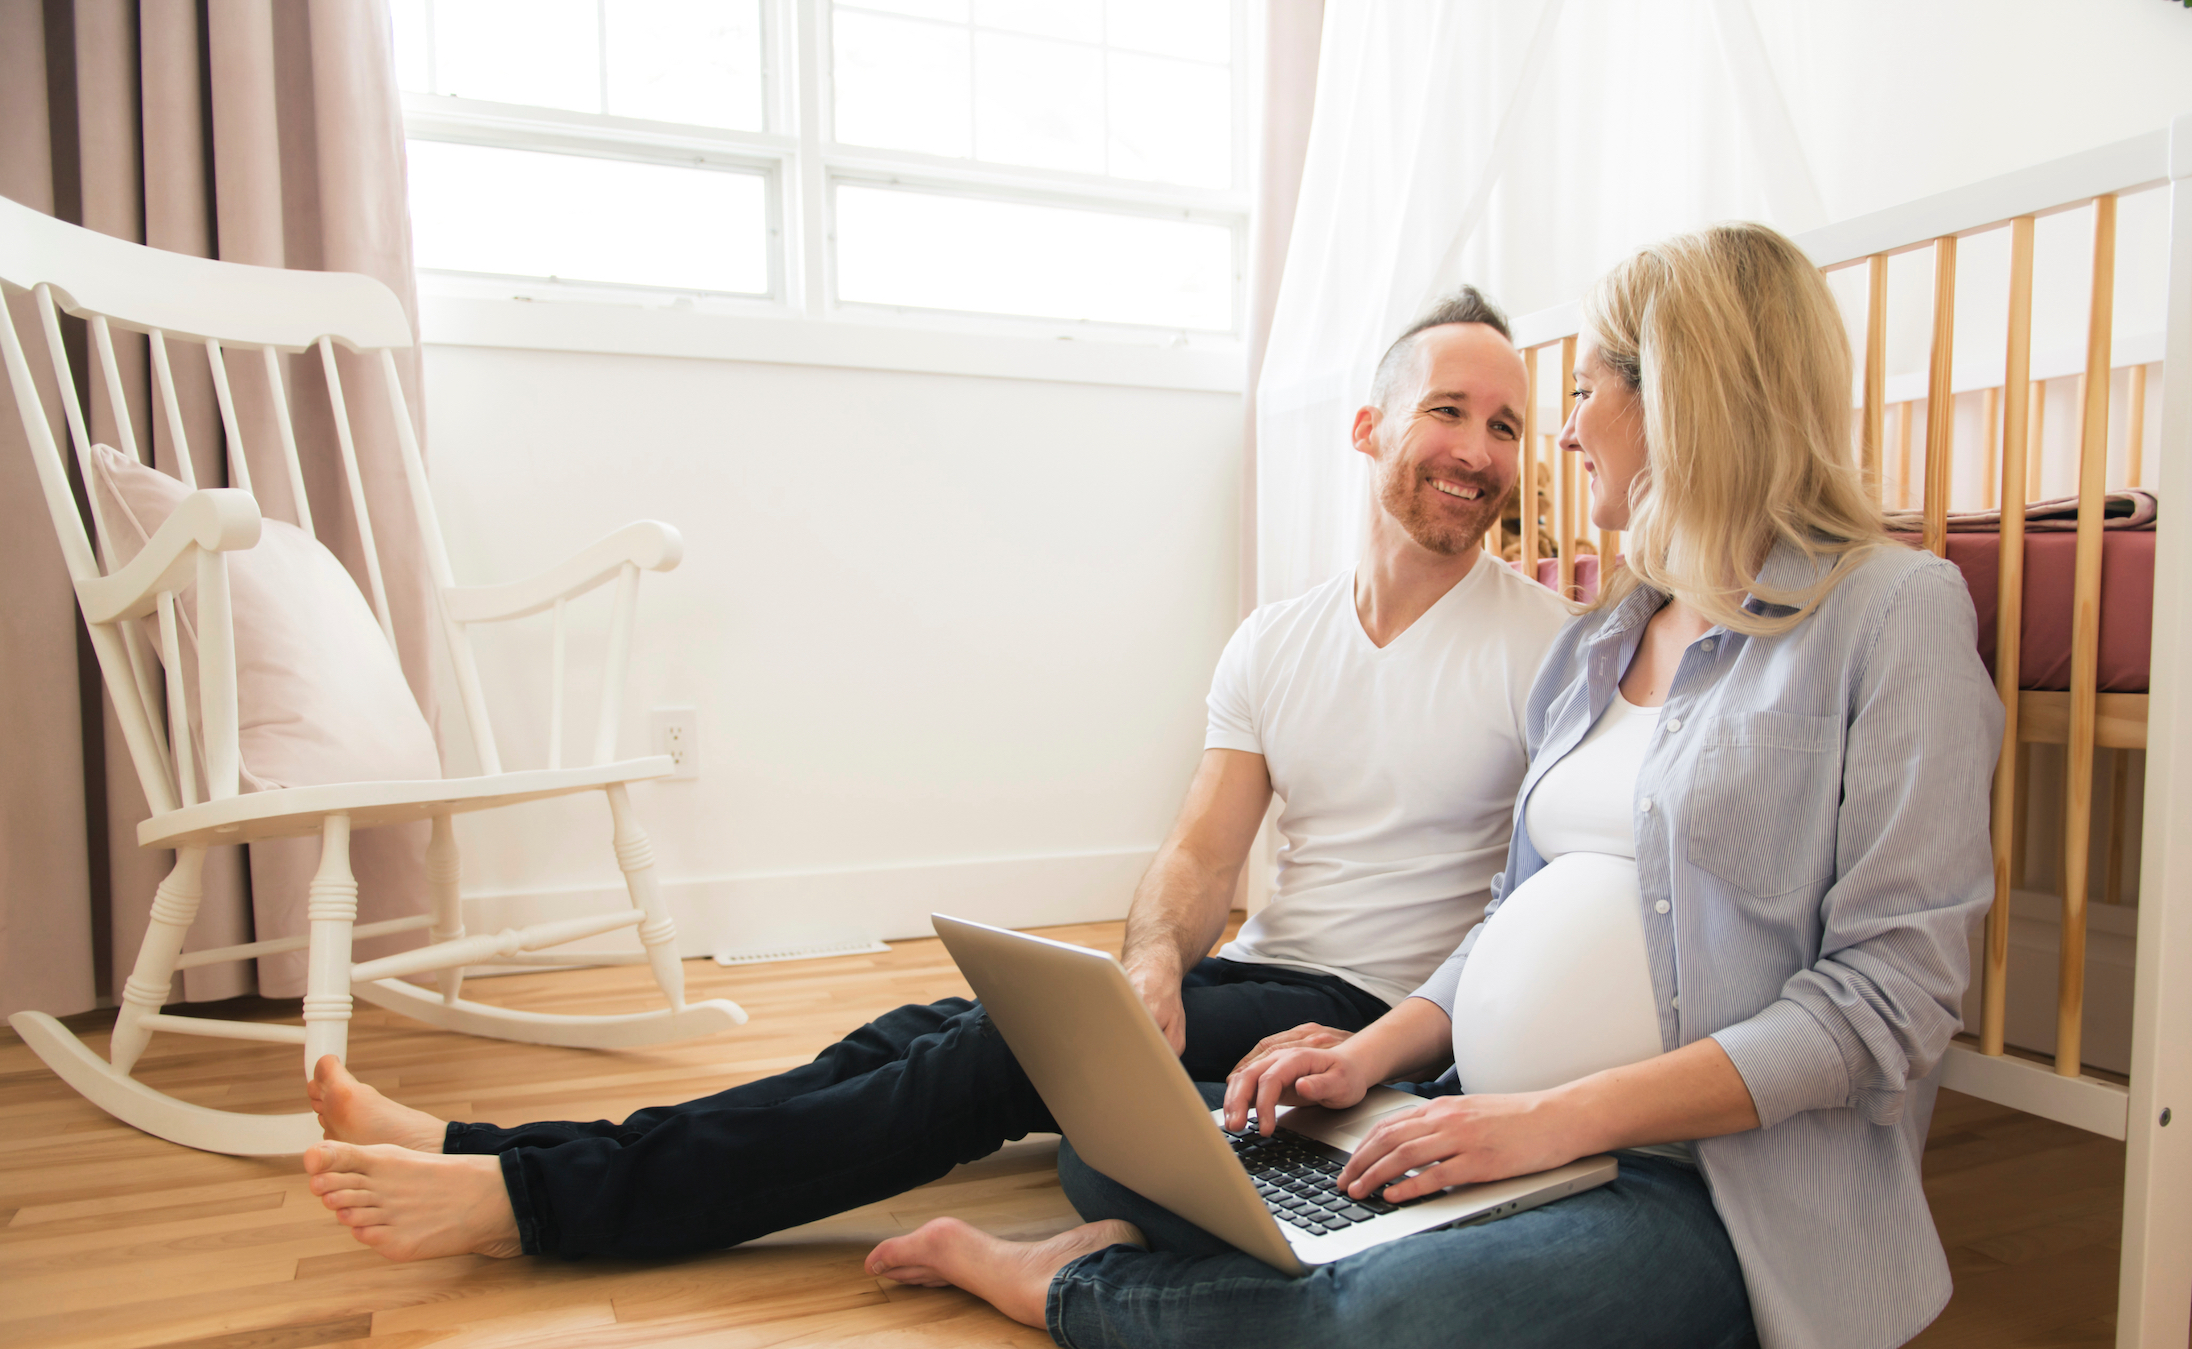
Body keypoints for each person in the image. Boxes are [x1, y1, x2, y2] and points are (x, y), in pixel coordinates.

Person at [862, 222, 2005, 1349]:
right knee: (1116, 1146)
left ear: (1683, 393)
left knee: (1369, 1341)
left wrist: (1545, 1122)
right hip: (1480, 1128)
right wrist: (1374, 1051)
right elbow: (1516, 920)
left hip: (1700, 1190)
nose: (1570, 433)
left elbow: (1890, 1004)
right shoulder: (1604, 635)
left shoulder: (1893, 611)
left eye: (1588, 392)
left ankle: (1074, 1287)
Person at [300, 286, 1573, 1263]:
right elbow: (1199, 857)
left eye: (1506, 425)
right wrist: (1150, 965)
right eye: (1447, 411)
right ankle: (493, 1148)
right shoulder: (1276, 639)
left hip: (1366, 1019)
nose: (1476, 447)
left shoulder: (1549, 653)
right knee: (913, 1029)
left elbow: (1546, 911)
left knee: (985, 1059)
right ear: (1370, 429)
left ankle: (532, 1205)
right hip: (1259, 970)